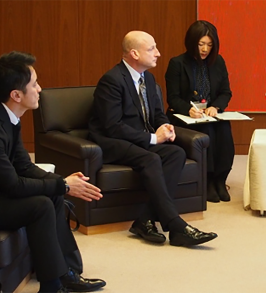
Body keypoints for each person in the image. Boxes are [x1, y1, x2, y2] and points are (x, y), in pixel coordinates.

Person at [89, 31, 217, 246]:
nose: (158, 53)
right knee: (151, 158)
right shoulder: (111, 80)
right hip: (111, 141)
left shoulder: (147, 77)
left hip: (136, 139)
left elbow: (157, 113)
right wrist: (152, 138)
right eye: (152, 49)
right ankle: (175, 225)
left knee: (176, 152)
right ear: (134, 53)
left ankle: (144, 219)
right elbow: (112, 126)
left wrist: (165, 126)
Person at [0, 51, 106, 293]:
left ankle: (65, 274)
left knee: (53, 194)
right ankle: (52, 286)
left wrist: (60, 183)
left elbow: (24, 166)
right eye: (34, 84)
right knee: (41, 205)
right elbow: (13, 185)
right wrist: (65, 186)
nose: (40, 89)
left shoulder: (11, 118)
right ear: (16, 94)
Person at [165, 20, 234, 203]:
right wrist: (189, 110)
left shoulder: (218, 62)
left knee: (224, 128)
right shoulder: (177, 63)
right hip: (186, 117)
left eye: (210, 45)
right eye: (201, 44)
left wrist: (215, 107)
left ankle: (220, 179)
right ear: (192, 42)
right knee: (207, 130)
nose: (205, 50)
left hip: (210, 114)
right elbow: (173, 98)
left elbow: (225, 92)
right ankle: (208, 180)